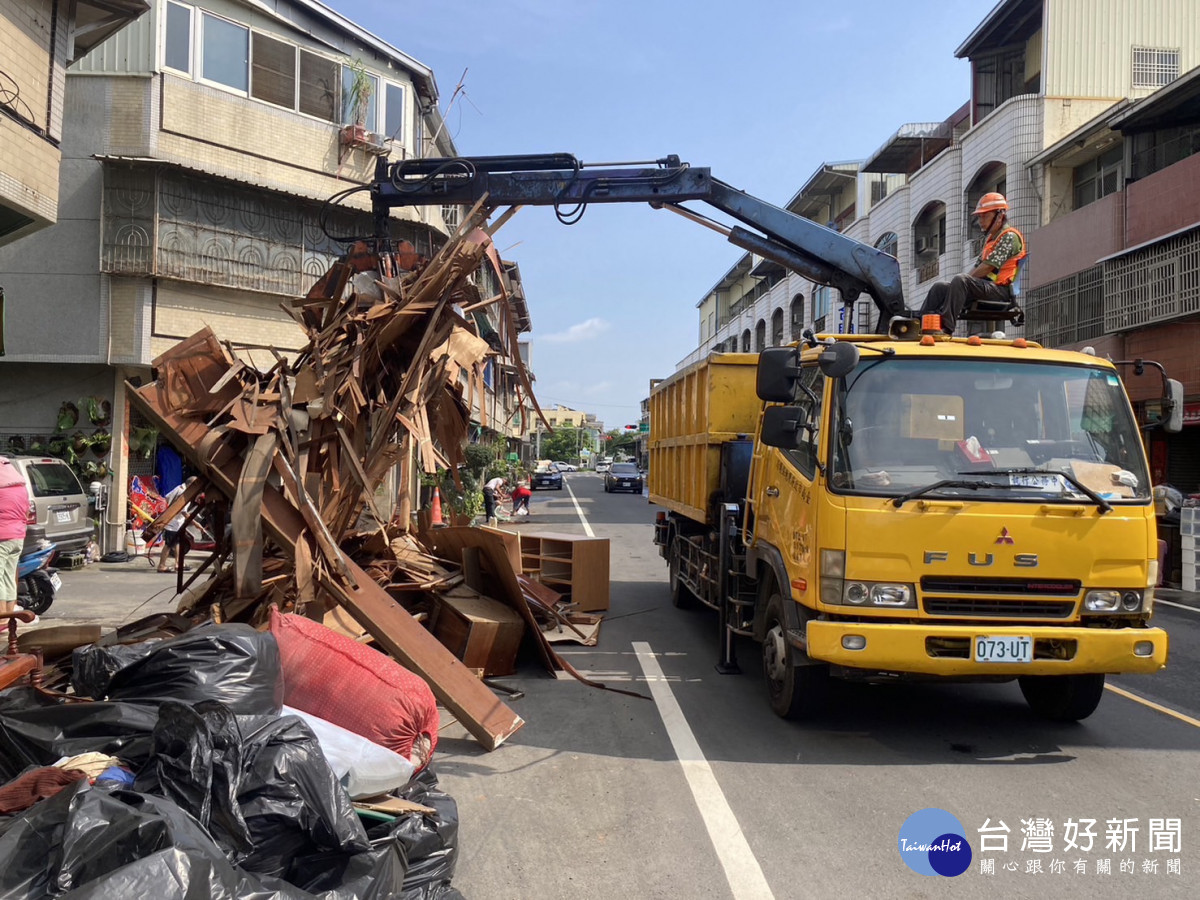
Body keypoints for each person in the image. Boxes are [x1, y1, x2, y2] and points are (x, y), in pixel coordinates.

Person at [918, 192, 1026, 334]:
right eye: (980, 216)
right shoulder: (992, 240)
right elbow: (976, 269)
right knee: (940, 287)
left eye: (985, 216)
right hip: (986, 287)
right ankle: (918, 324)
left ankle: (947, 328)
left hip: (1000, 291)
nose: (981, 220)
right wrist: (957, 287)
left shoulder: (1009, 237)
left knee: (960, 280)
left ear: (999, 216)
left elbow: (988, 266)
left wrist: (963, 283)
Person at [0, 457, 30, 616]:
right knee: (9, 578)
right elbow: (26, 512)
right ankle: (8, 618)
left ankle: (1, 619)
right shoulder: (21, 488)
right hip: (18, 537)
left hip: (2, 538)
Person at [157, 476, 197, 573]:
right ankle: (161, 566)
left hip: (176, 522)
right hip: (172, 523)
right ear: (191, 485)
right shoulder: (184, 493)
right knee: (169, 545)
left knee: (177, 544)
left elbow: (166, 498)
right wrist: (196, 523)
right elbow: (184, 512)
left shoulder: (179, 488)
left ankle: (178, 563)